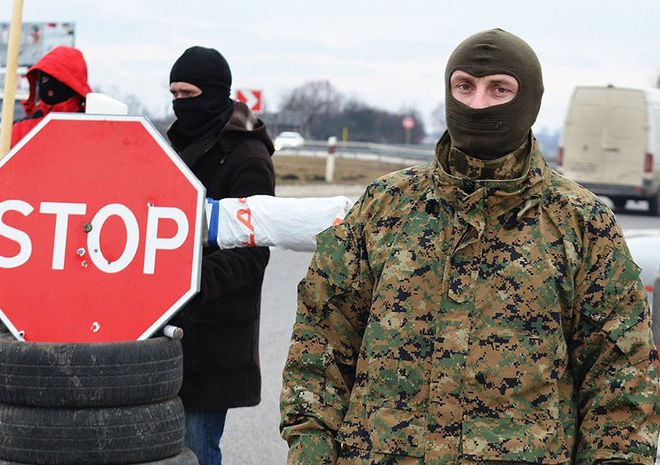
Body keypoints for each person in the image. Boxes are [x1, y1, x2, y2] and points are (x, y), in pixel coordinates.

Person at [280, 28, 660, 464]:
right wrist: (310, 451)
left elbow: (620, 378)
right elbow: (321, 341)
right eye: (465, 86)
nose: (477, 104)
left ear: (530, 100)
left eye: (499, 89)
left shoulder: (581, 223)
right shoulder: (385, 206)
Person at [166, 46, 276, 465]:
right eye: (173, 92)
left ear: (214, 93)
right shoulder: (169, 146)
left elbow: (252, 253)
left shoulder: (247, 156)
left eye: (188, 93)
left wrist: (187, 282)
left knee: (196, 449)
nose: (179, 102)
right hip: (165, 326)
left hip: (214, 332)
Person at [10, 45, 91, 147]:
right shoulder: (19, 129)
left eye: (56, 79)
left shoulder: (93, 128)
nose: (48, 86)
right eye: (43, 79)